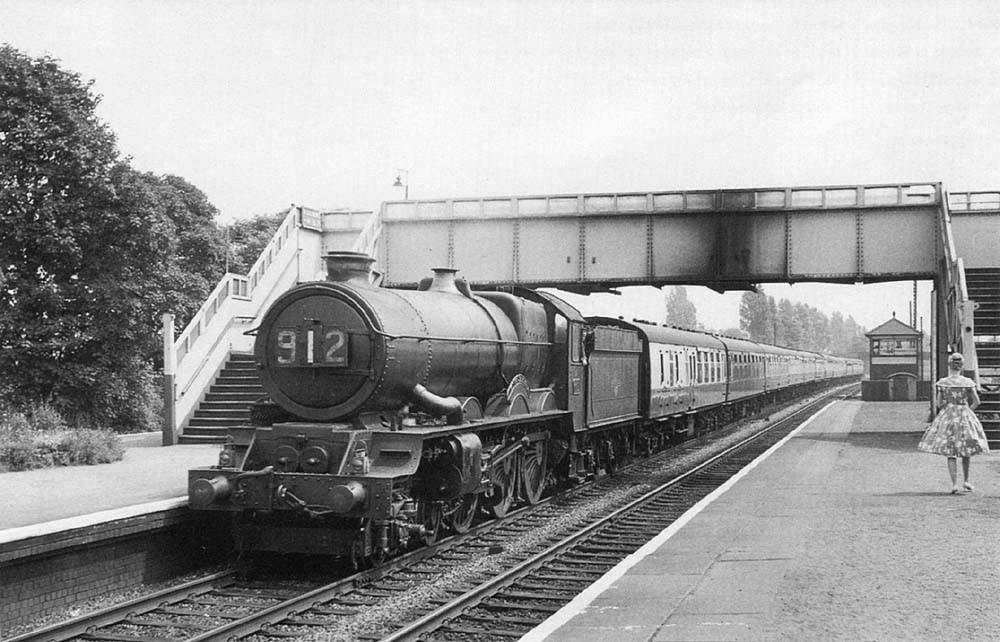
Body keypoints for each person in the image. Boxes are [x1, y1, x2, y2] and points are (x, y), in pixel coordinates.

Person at [918, 352, 990, 493]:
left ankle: (954, 484)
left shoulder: (943, 383)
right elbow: (977, 402)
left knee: (950, 450)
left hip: (949, 415)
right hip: (964, 414)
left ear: (949, 365)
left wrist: (949, 406)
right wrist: (967, 410)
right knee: (966, 450)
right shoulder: (968, 382)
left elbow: (939, 404)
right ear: (961, 366)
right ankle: (966, 481)